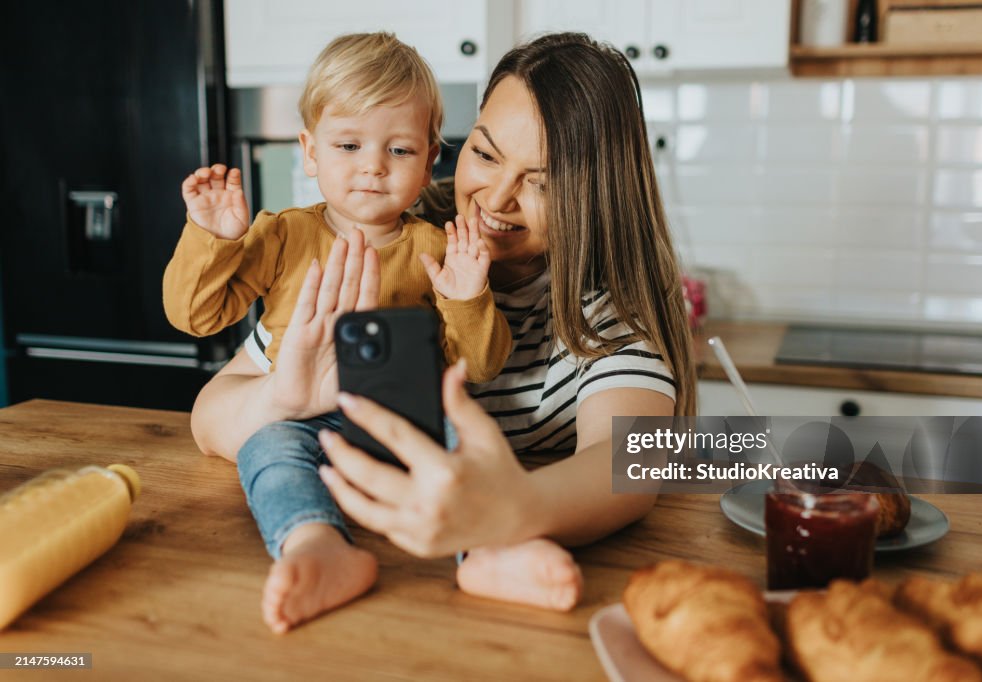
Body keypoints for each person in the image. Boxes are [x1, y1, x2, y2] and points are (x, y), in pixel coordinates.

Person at [190, 32, 697, 633]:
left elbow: (634, 467)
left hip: (476, 608)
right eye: (485, 155)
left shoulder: (603, 313)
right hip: (369, 592)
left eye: (543, 181)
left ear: (595, 196)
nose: (497, 198)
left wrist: (507, 514)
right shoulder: (387, 242)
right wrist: (281, 398)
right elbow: (210, 415)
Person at [162, 32, 513, 634]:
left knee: (470, 439)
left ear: (431, 159)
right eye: (348, 144)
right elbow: (195, 317)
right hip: (301, 420)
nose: (372, 166)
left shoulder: (440, 249)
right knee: (266, 448)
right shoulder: (279, 236)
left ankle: (495, 550)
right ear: (310, 151)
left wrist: (467, 296)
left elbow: (479, 367)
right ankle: (314, 544)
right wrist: (215, 240)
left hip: (409, 422)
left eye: (399, 150)